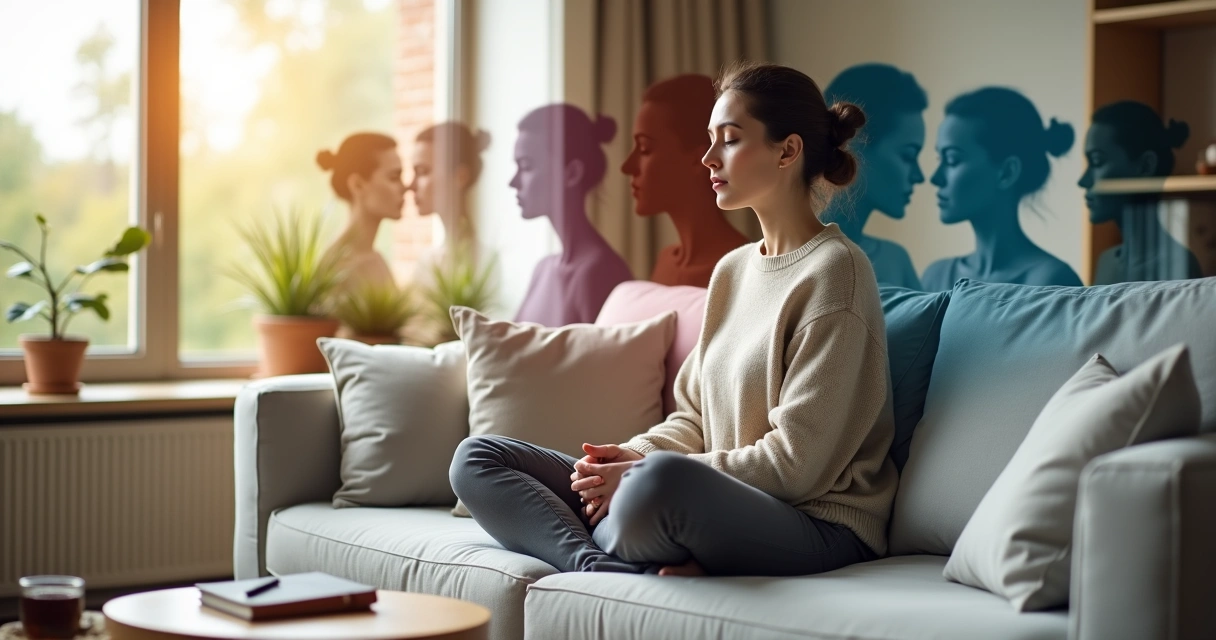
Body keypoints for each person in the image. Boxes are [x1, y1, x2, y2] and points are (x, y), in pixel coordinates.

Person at [451, 61, 897, 577]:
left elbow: (796, 466)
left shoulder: (836, 273)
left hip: (817, 523)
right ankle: (594, 562)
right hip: (704, 498)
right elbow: (692, 417)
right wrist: (625, 457)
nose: (708, 158)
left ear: (787, 150)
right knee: (478, 458)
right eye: (709, 140)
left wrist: (642, 471)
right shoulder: (733, 270)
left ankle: (609, 532)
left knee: (657, 484)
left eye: (728, 140)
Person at [922, 88, 1082, 290]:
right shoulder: (935, 276)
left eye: (953, 159)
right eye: (940, 158)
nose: (935, 178)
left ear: (1007, 172)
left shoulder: (1052, 282)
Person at [511, 104, 634, 326]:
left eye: (526, 167)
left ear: (572, 173)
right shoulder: (543, 269)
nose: (513, 182)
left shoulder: (600, 273)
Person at [621, 74, 749, 287]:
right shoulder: (666, 261)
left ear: (700, 160)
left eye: (645, 149)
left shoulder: (740, 268)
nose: (626, 167)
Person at [822, 63, 927, 289]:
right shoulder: (791, 254)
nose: (920, 176)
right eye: (908, 156)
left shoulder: (895, 261)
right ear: (856, 144)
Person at [1077, 101, 1201, 284]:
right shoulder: (1106, 261)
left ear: (1145, 166)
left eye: (1097, 161)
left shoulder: (1177, 264)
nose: (1083, 181)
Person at [317, 132, 406, 291]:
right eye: (394, 177)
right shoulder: (333, 268)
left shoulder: (377, 260)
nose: (405, 188)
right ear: (357, 185)